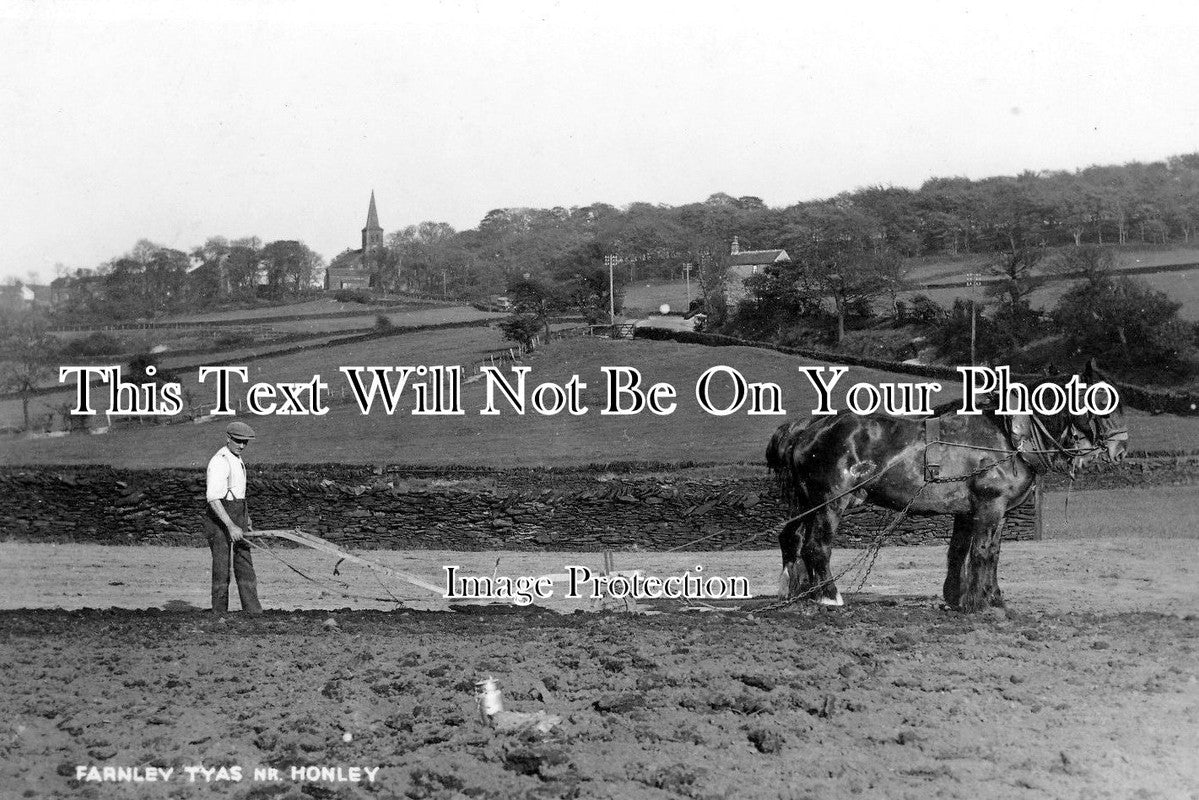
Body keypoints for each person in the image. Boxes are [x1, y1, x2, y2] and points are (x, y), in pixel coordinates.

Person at [203, 421, 263, 614]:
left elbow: (238, 493)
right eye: (238, 441)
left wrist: (247, 519)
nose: (242, 445)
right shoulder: (220, 460)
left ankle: (253, 611)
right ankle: (219, 613)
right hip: (219, 520)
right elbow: (213, 498)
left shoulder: (236, 458)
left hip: (238, 514)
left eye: (245, 442)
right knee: (222, 567)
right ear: (228, 438)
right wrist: (230, 526)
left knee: (244, 562)